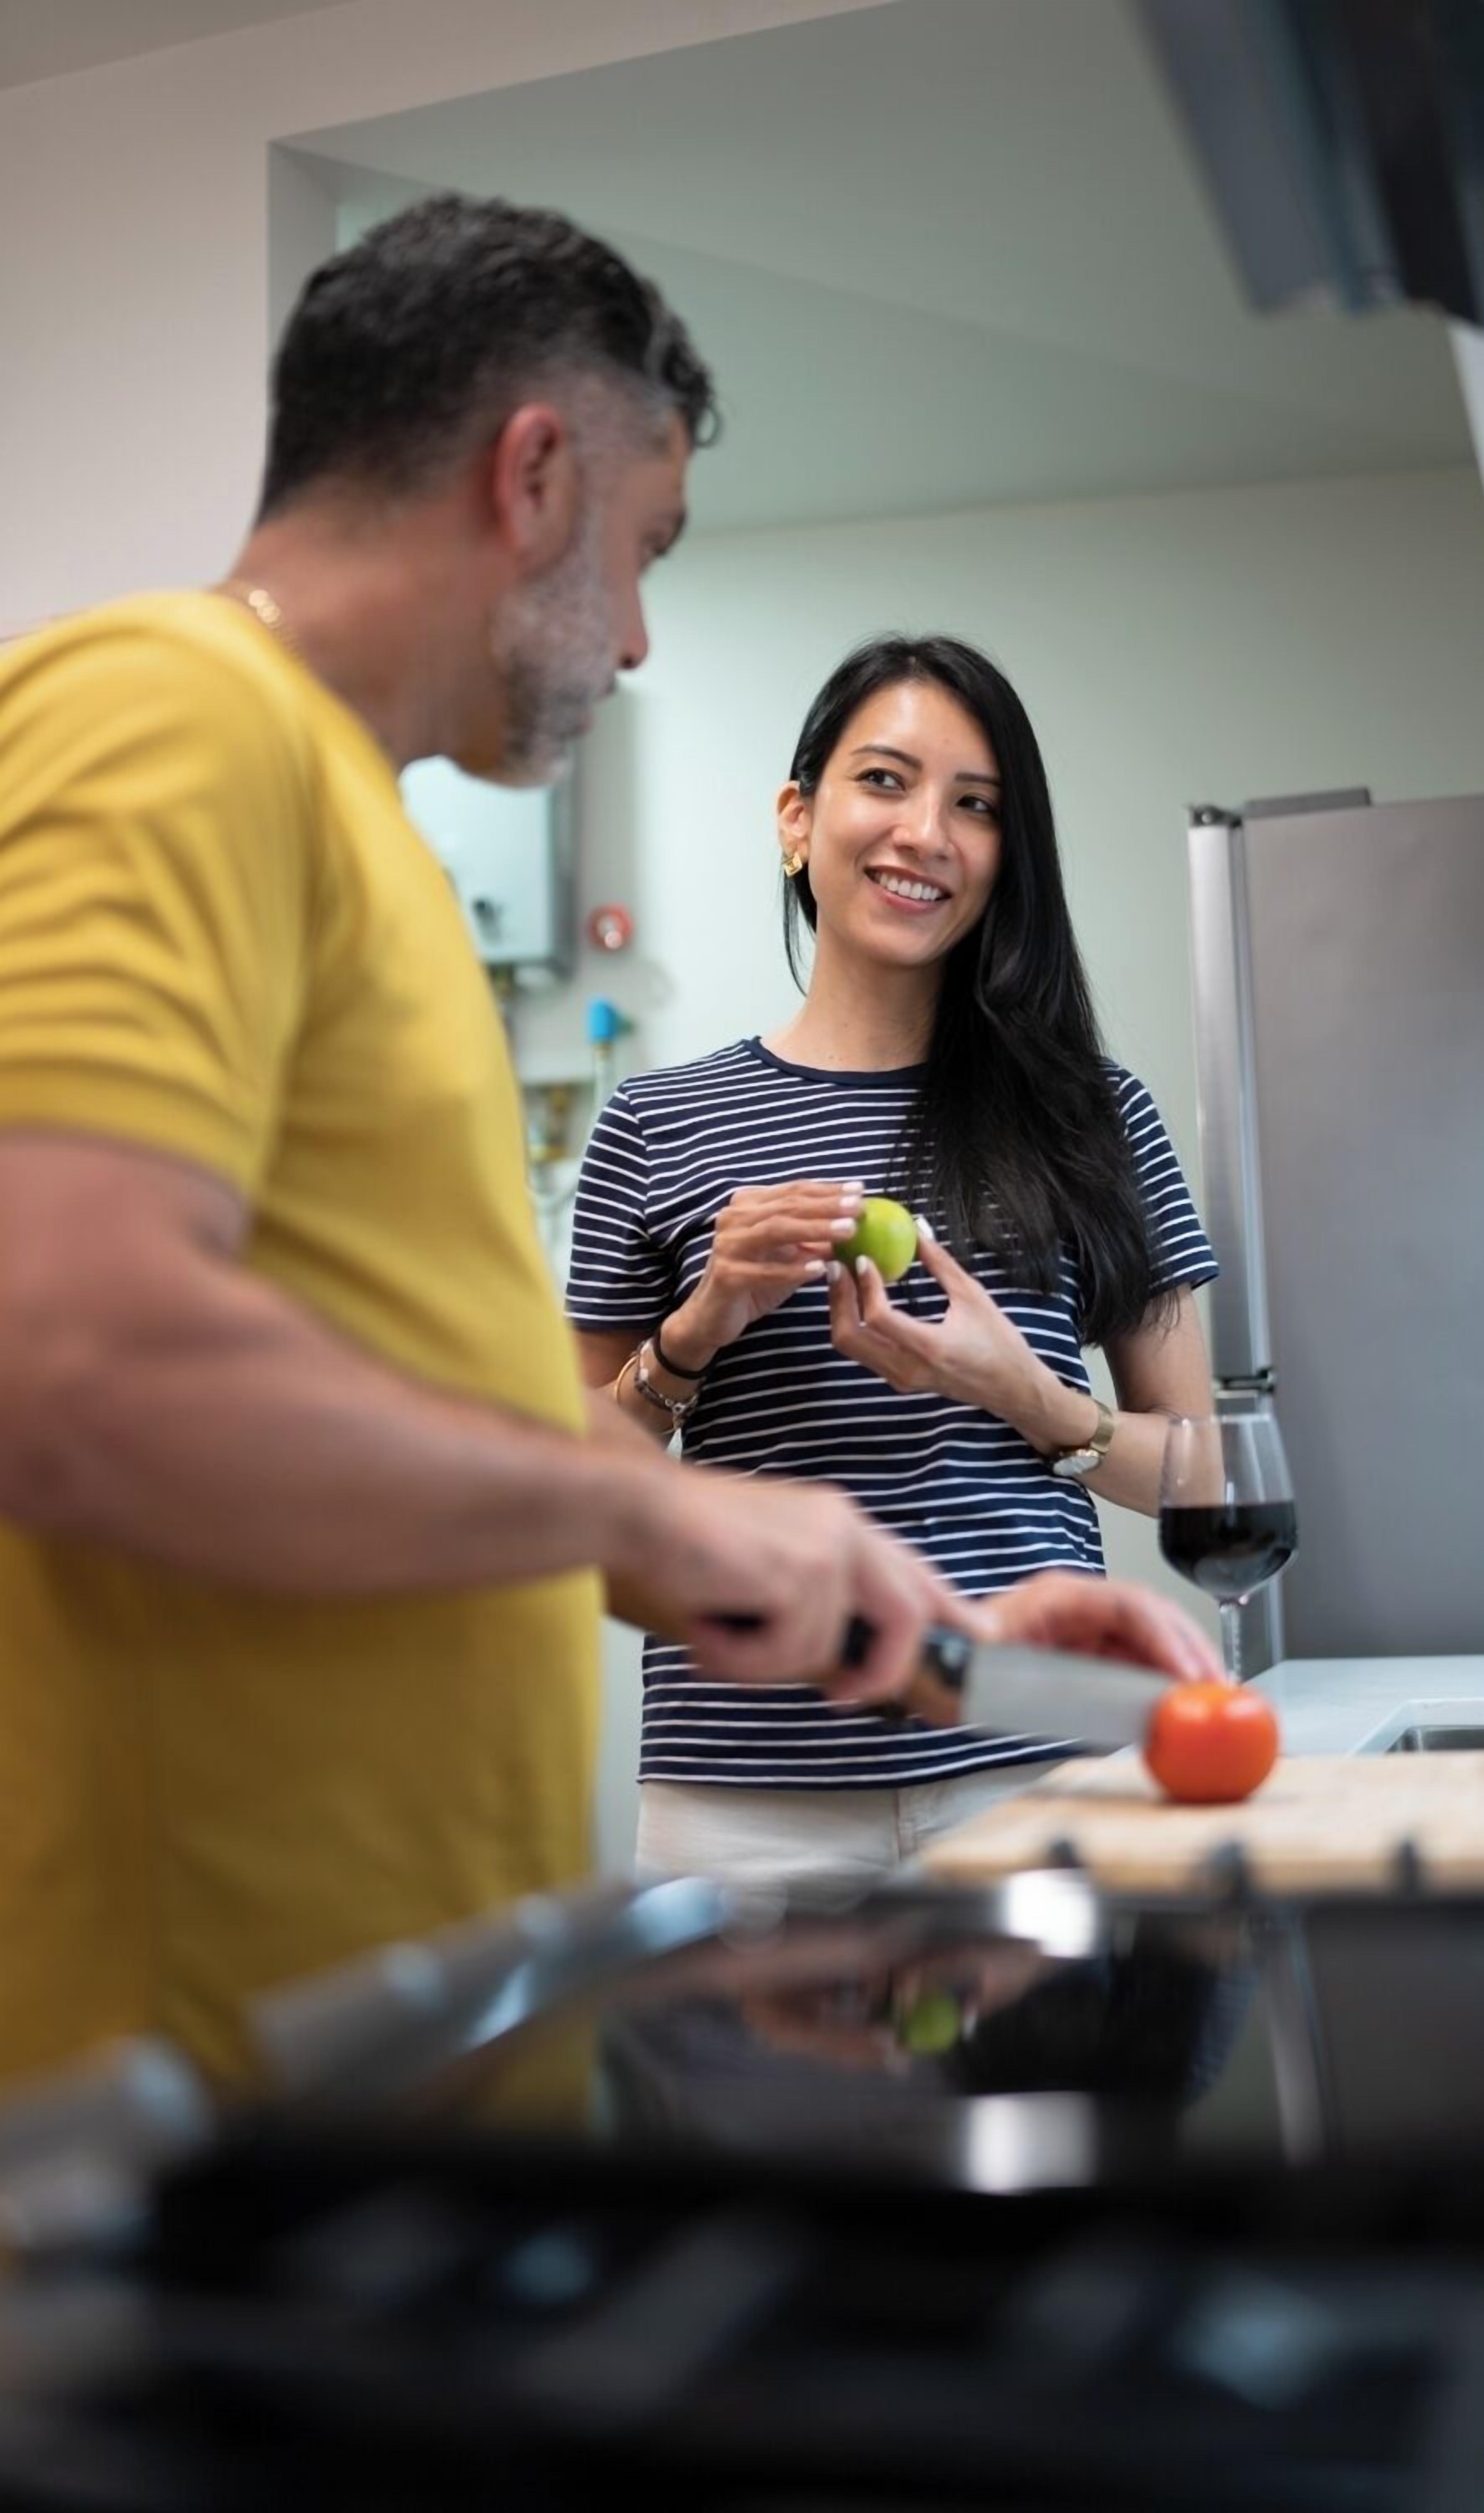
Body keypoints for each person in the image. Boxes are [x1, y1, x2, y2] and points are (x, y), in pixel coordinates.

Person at [0, 206, 1210, 2092]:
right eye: (641, 556)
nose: (636, 637)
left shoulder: (367, 838)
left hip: (409, 2007)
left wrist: (931, 1632)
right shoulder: (167, 714)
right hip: (206, 2055)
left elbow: (444, 1426)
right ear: (536, 475)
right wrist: (658, 1488)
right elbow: (65, 1358)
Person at [568, 635, 1221, 1888]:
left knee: (1042, 2092)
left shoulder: (1096, 1113)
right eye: (886, 782)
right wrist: (695, 1332)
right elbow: (577, 1474)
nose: (927, 832)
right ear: (797, 818)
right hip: (740, 1794)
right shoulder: (655, 1123)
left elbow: (1206, 1478)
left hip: (1039, 1756)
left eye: (976, 807)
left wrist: (1025, 1394)